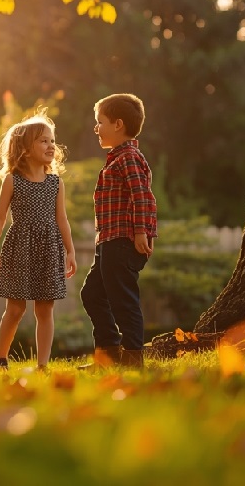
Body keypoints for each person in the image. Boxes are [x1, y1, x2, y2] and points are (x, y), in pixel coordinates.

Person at [0, 110, 77, 371]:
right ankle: (1, 358)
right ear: (25, 149)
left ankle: (42, 365)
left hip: (49, 248)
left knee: (45, 310)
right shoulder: (12, 181)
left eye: (52, 141)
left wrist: (70, 252)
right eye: (43, 141)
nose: (51, 146)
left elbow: (62, 220)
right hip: (19, 248)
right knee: (15, 309)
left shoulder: (56, 183)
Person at [80, 93, 157, 369]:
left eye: (100, 122)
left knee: (123, 300)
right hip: (108, 241)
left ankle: (133, 358)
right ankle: (108, 354)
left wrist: (140, 232)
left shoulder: (129, 157)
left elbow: (142, 196)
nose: (96, 127)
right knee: (92, 294)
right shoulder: (116, 158)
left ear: (118, 124)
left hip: (123, 241)